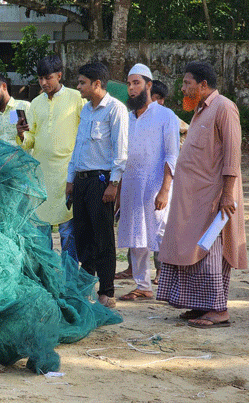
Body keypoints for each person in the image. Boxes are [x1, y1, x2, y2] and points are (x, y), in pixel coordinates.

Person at [157, 61, 246, 328]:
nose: (183, 88)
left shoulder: (225, 108)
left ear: (203, 85)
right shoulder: (199, 111)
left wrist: (227, 195)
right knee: (190, 251)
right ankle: (200, 306)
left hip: (213, 200)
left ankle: (218, 310)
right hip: (191, 200)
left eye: (187, 83)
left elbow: (232, 155)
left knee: (209, 252)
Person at [65, 62, 128, 309]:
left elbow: (121, 151)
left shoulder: (115, 110)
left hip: (101, 182)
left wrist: (113, 184)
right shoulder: (86, 111)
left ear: (97, 84)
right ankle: (85, 287)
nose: (78, 87)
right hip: (80, 182)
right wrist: (70, 180)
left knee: (103, 238)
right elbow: (78, 146)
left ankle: (107, 292)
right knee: (82, 236)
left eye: (82, 83)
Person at [116, 64, 179, 301]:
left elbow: (172, 155)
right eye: (129, 84)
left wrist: (164, 190)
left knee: (162, 236)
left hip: (156, 187)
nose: (132, 89)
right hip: (132, 185)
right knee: (137, 236)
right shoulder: (126, 118)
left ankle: (174, 285)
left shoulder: (166, 116)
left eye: (136, 83)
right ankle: (143, 286)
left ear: (149, 85)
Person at [17, 56, 84, 262]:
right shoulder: (35, 103)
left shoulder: (76, 98)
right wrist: (20, 134)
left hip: (67, 173)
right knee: (41, 230)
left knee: (67, 231)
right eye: (40, 79)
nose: (44, 83)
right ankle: (46, 277)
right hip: (42, 174)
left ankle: (69, 280)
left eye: (48, 78)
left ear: (59, 76)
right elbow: (31, 141)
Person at [0, 72, 30, 146]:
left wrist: (21, 135)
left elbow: (35, 138)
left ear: (4, 86)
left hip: (23, 156)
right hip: (1, 157)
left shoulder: (24, 106)